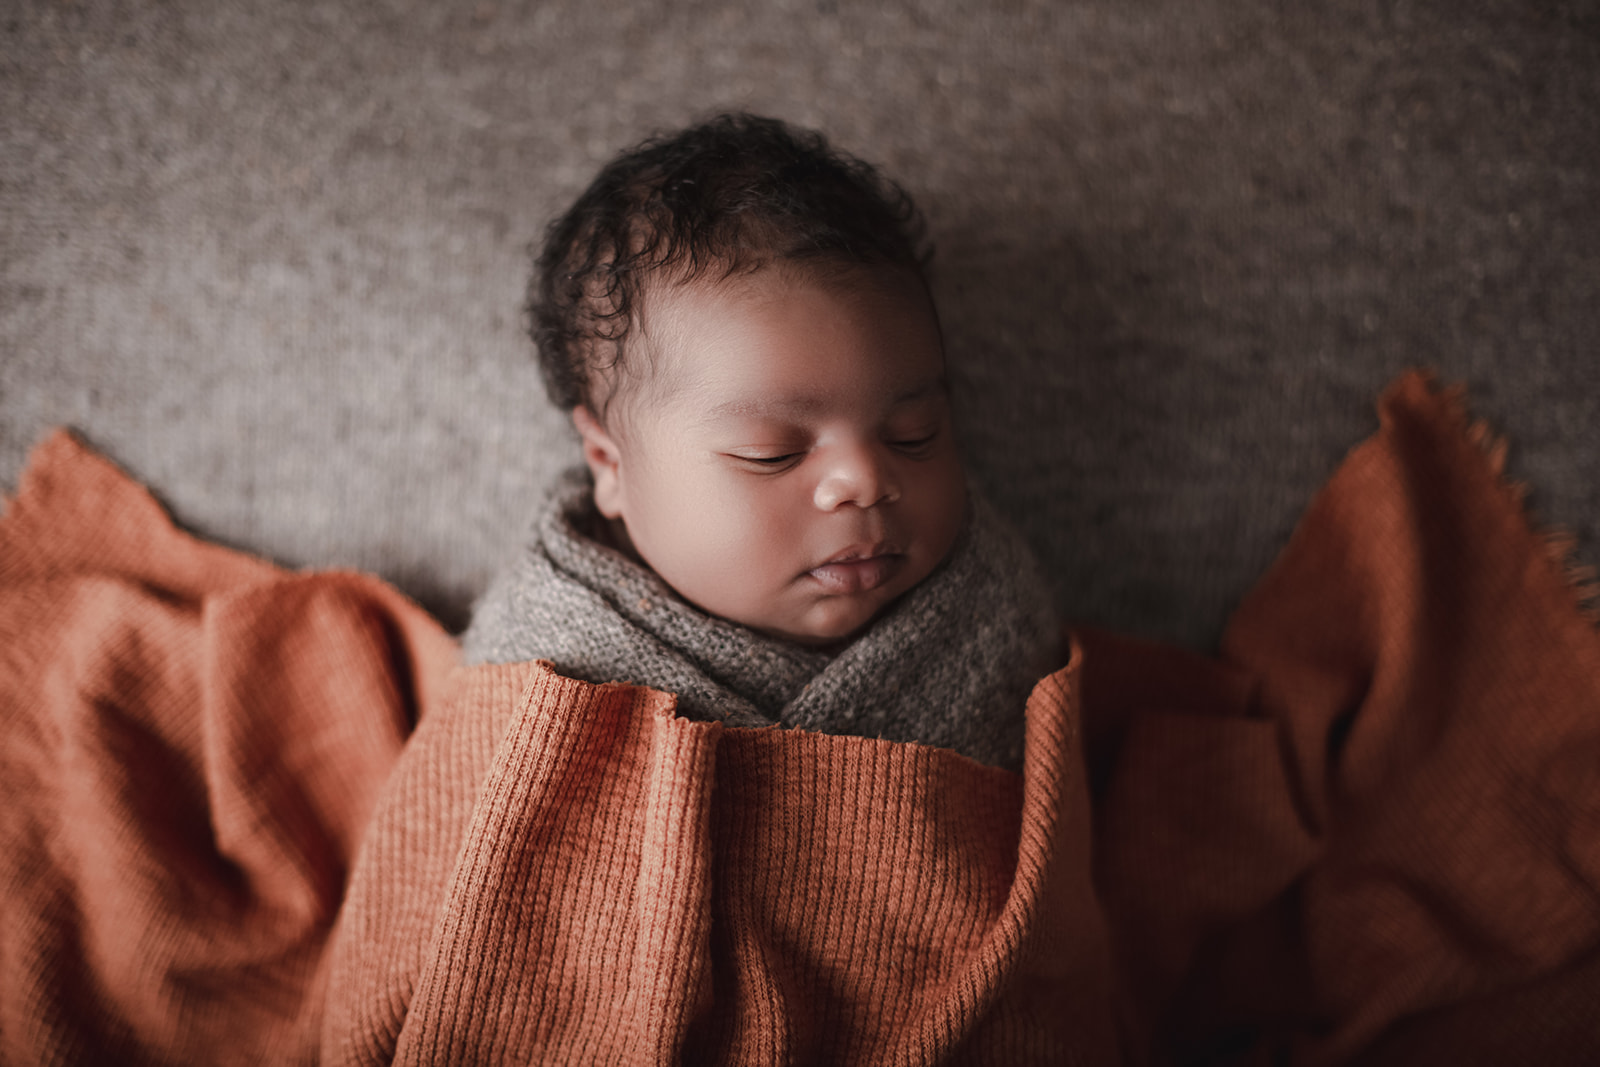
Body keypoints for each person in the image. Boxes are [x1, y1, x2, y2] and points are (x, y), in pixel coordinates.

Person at [462, 112, 1060, 770]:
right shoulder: (543, 652)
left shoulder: (992, 616)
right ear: (610, 466)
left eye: (914, 435)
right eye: (772, 452)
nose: (864, 478)